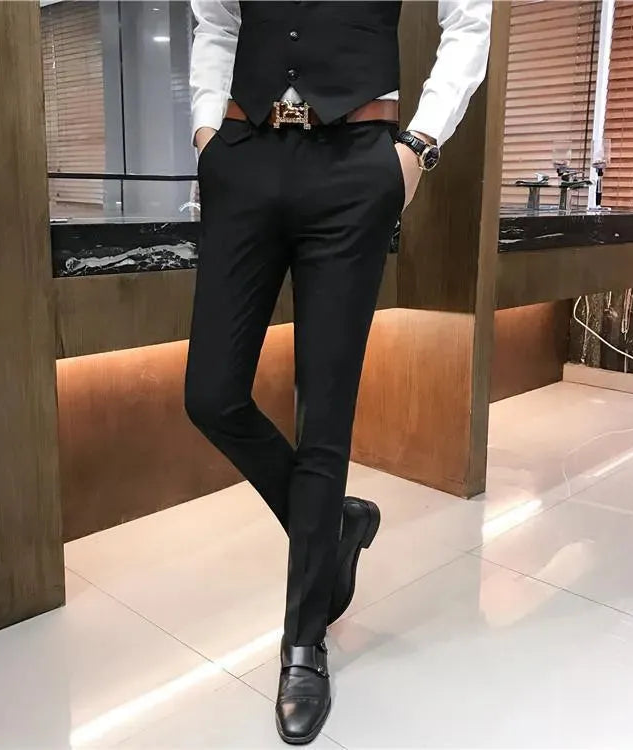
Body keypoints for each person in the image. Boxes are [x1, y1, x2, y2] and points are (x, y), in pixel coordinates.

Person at [186, 1, 492, 743]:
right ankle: (337, 526)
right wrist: (206, 134)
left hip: (357, 160)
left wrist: (419, 145)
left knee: (323, 410)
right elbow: (216, 22)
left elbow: (469, 21)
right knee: (211, 394)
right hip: (244, 154)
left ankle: (303, 644)